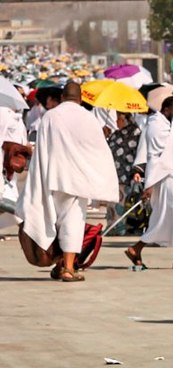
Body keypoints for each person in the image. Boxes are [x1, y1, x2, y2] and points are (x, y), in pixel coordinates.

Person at [15, 81, 118, 282]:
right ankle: (68, 269)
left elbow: (42, 148)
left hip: (53, 176)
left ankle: (60, 264)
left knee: (50, 220)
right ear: (81, 99)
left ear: (62, 97)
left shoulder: (50, 116)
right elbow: (98, 150)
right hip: (78, 178)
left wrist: (38, 177)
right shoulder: (89, 118)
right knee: (72, 223)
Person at [125, 96, 173, 269]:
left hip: (172, 175)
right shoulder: (155, 125)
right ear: (166, 109)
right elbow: (156, 156)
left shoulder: (169, 124)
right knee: (170, 217)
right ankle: (138, 249)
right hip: (164, 176)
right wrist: (150, 183)